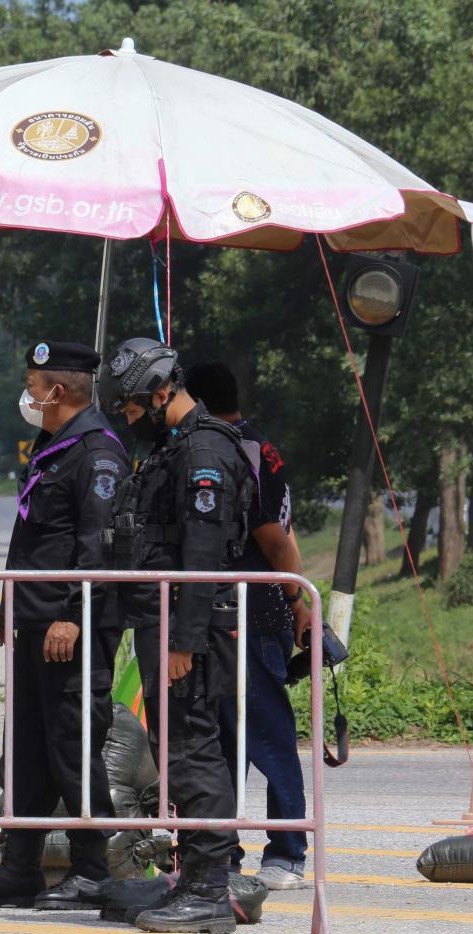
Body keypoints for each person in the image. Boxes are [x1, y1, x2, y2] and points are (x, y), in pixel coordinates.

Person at [0, 341, 131, 912]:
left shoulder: (98, 453)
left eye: (33, 384)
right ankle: (18, 868)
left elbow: (96, 547)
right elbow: (32, 535)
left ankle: (91, 870)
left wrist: (72, 617)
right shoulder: (54, 446)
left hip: (71, 630)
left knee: (73, 751)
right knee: (26, 752)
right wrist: (11, 600)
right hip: (34, 621)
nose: (27, 395)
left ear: (57, 390)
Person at [99, 337, 254, 934]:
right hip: (163, 620)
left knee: (193, 753)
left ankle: (210, 888)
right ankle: (192, 879)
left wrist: (184, 641)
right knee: (179, 751)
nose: (131, 418)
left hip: (188, 625)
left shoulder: (204, 451)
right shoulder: (175, 448)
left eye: (136, 407)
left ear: (163, 392)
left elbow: (204, 552)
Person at [186, 361, 311, 890]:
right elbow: (288, 528)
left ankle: (287, 850)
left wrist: (295, 599)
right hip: (237, 611)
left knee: (266, 734)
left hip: (252, 611)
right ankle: (223, 849)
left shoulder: (236, 450)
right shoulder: (259, 443)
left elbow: (273, 537)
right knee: (220, 741)